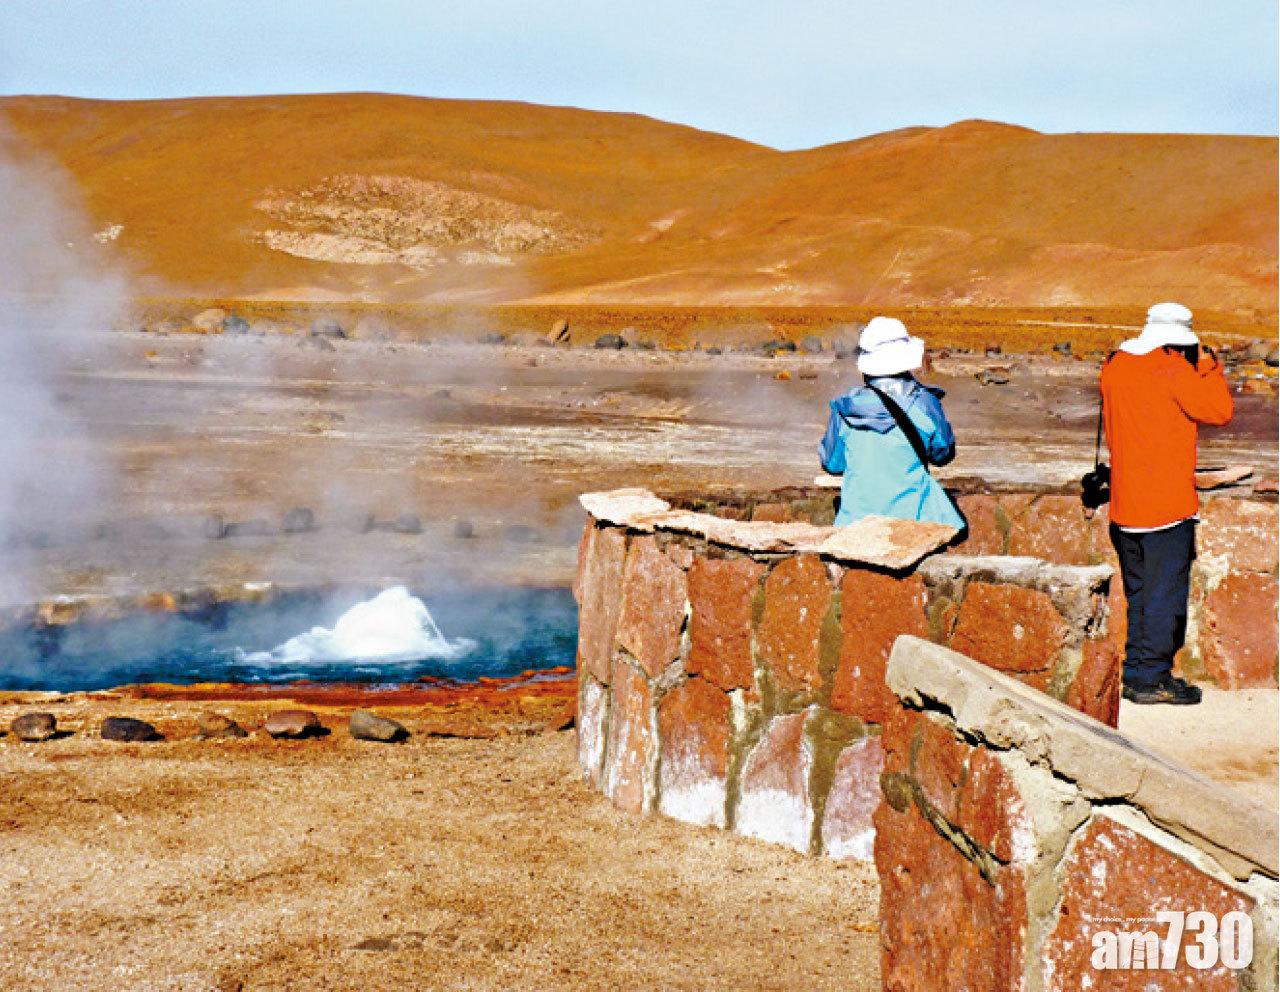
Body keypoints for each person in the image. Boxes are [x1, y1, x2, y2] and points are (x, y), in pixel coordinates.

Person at [1101, 302, 1233, 706]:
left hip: (1126, 503)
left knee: (1141, 594)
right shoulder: (1174, 371)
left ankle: (1137, 669)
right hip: (1165, 504)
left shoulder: (1116, 368)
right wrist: (1209, 368)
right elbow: (1220, 411)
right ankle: (1149, 678)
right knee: (1165, 597)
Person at [819, 316, 963, 528]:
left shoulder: (845, 409)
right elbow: (943, 454)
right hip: (915, 522)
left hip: (855, 524)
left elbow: (832, 464)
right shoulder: (925, 404)